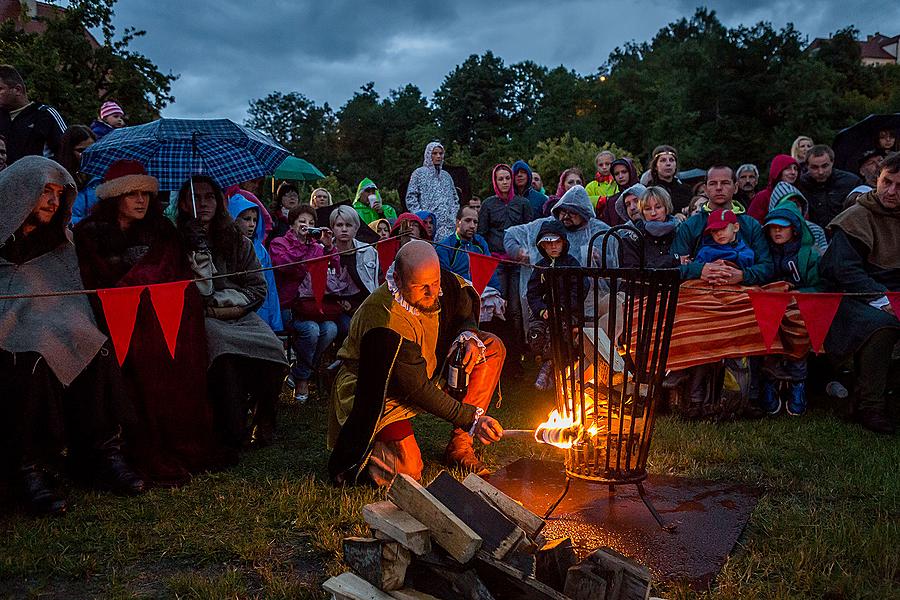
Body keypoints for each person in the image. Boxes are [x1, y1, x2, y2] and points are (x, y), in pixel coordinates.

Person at [0, 156, 144, 514]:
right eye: (43, 192)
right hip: (11, 342)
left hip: (55, 329)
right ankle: (23, 470)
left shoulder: (60, 246)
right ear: (18, 193)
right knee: (29, 360)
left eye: (58, 192)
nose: (52, 200)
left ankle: (99, 455)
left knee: (95, 348)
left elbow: (71, 300)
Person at [74, 160, 226, 485]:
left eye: (146, 193)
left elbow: (173, 273)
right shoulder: (90, 234)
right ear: (116, 196)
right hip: (109, 321)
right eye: (132, 193)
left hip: (161, 320)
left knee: (174, 354)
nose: (141, 200)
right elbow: (91, 282)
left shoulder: (161, 229)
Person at [328, 241, 506, 484]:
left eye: (434, 283)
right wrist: (472, 419)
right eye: (420, 286)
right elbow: (415, 388)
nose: (432, 294)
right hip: (380, 389)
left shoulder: (441, 284)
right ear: (398, 280)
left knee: (490, 347)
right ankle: (376, 452)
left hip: (426, 369)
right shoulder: (387, 320)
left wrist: (468, 334)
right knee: (407, 473)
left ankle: (460, 445)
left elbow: (461, 303)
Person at [177, 176, 287, 449]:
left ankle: (265, 420)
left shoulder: (235, 239)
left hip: (239, 313)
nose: (203, 203)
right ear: (183, 203)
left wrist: (231, 305)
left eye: (209, 197)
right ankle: (230, 423)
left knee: (274, 350)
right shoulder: (175, 241)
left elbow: (257, 287)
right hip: (198, 319)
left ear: (219, 201)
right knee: (223, 354)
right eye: (196, 197)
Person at [820, 152, 900, 434]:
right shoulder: (856, 216)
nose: (890, 191)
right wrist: (883, 300)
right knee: (883, 327)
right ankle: (871, 407)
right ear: (877, 179)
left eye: (899, 186)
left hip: (894, 297)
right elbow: (844, 271)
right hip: (851, 298)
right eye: (886, 182)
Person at [270, 205, 340, 403]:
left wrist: (328, 247)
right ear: (291, 224)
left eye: (311, 223)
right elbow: (285, 266)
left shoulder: (316, 247)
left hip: (312, 306)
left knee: (331, 328)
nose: (307, 226)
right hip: (288, 307)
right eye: (302, 221)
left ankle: (299, 372)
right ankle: (303, 379)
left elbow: (335, 268)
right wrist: (304, 247)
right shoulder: (279, 243)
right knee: (311, 330)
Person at [758, 200, 821, 417]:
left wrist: (802, 295)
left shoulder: (810, 255)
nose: (776, 231)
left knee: (799, 337)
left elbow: (820, 286)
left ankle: (797, 384)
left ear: (794, 228)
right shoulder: (764, 253)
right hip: (770, 307)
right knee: (768, 336)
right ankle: (769, 381)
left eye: (782, 227)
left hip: (800, 308)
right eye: (773, 227)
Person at [671, 165, 773, 285]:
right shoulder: (691, 225)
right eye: (713, 183)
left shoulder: (751, 225)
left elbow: (767, 267)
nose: (719, 188)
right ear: (706, 188)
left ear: (735, 187)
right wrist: (699, 270)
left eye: (725, 183)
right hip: (699, 292)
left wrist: (742, 275)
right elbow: (673, 266)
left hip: (743, 292)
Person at [478, 164, 534, 372]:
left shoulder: (522, 203)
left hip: (518, 262)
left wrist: (525, 252)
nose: (504, 182)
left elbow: (530, 230)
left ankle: (520, 348)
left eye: (507, 178)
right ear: (495, 181)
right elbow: (482, 233)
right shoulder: (489, 204)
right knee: (499, 306)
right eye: (500, 179)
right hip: (497, 261)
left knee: (517, 307)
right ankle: (500, 351)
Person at [526, 220, 589, 390]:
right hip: (545, 311)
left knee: (559, 331)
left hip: (568, 312)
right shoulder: (540, 267)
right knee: (536, 333)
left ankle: (549, 368)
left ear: (564, 243)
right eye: (548, 243)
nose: (553, 247)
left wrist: (562, 307)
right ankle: (547, 364)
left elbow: (580, 288)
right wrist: (541, 310)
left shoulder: (572, 264)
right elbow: (532, 292)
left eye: (557, 242)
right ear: (542, 246)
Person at [227, 192, 283, 332]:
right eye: (246, 219)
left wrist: (277, 325)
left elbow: (271, 287)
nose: (252, 224)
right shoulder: (225, 248)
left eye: (255, 220)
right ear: (233, 218)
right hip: (235, 313)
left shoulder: (261, 251)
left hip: (262, 312)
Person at [0, 65, 67, 164]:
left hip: (38, 177)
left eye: (0, 89)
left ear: (17, 90)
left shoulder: (45, 114)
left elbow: (67, 148)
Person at [797, 145, 863, 228]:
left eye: (825, 166)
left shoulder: (851, 182)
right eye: (815, 167)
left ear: (832, 162)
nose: (820, 172)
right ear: (807, 166)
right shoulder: (800, 184)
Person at [435, 205, 500, 290]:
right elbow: (446, 279)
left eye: (475, 222)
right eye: (468, 221)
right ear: (458, 222)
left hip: (481, 293)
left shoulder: (481, 243)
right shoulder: (445, 247)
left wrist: (497, 292)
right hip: (457, 293)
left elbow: (490, 273)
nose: (472, 226)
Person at [404, 141, 459, 240]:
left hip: (448, 227)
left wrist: (453, 215)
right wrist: (421, 216)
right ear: (428, 154)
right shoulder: (419, 173)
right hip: (428, 225)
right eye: (435, 153)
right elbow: (410, 197)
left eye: (441, 153)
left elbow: (455, 198)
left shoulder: (446, 176)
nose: (438, 156)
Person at [620, 186, 680, 269]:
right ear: (642, 212)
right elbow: (632, 272)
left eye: (658, 207)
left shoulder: (680, 230)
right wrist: (673, 260)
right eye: (647, 209)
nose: (653, 213)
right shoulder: (633, 237)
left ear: (666, 208)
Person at [766, 182, 828, 254]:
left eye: (796, 205)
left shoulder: (815, 230)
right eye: (787, 205)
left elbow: (825, 259)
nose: (793, 209)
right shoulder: (767, 232)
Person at [57, 125, 101, 226]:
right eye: (81, 151)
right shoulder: (58, 179)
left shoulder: (101, 176)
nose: (87, 154)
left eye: (91, 149)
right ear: (68, 151)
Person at [748, 154, 800, 223]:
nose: (793, 172)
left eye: (795, 169)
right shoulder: (763, 197)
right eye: (788, 168)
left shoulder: (798, 196)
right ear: (778, 171)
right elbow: (751, 224)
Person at [645, 145, 692, 213]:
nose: (668, 164)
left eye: (671, 160)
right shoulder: (649, 191)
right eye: (663, 160)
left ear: (675, 165)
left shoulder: (686, 190)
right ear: (655, 166)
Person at [599, 157, 639, 225]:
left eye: (624, 172)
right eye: (616, 174)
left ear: (631, 172)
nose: (620, 176)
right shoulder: (611, 202)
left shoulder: (645, 194)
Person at [585, 150, 618, 215]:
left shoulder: (618, 182)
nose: (604, 167)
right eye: (601, 165)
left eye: (608, 164)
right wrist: (601, 200)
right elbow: (584, 201)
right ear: (597, 167)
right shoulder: (591, 186)